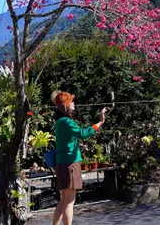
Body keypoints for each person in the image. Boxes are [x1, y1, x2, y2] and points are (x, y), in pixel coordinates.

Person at [51, 91, 107, 225]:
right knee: (70, 202)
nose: (74, 103)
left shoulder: (59, 122)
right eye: (71, 101)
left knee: (64, 200)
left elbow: (66, 140)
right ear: (65, 106)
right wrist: (100, 122)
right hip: (70, 164)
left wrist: (76, 144)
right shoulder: (67, 122)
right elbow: (83, 133)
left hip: (62, 162)